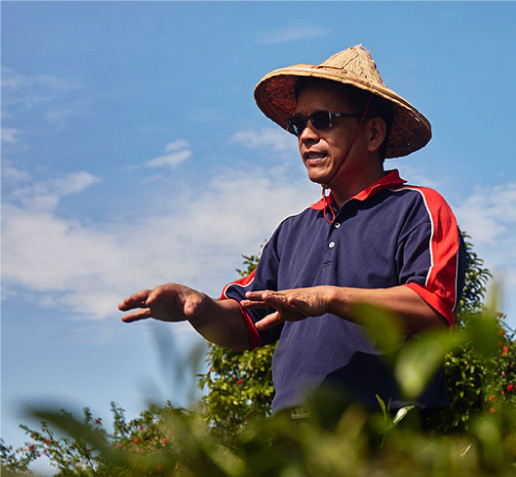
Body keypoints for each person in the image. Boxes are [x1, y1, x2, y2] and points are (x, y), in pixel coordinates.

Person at [118, 45, 466, 419]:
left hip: (385, 437)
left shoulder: (416, 208)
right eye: (299, 124)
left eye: (324, 120)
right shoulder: (292, 231)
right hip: (292, 440)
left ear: (373, 132)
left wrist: (328, 298)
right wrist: (197, 308)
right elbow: (244, 323)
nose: (306, 136)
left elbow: (431, 306)